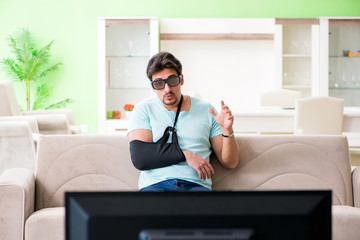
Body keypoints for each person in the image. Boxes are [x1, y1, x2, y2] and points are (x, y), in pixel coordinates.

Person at [127, 51, 239, 191]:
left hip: (196, 186)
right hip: (155, 186)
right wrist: (185, 155)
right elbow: (140, 157)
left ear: (182, 80)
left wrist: (227, 130)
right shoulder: (143, 109)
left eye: (172, 80)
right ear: (152, 87)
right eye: (159, 84)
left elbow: (230, 163)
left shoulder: (207, 110)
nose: (167, 89)